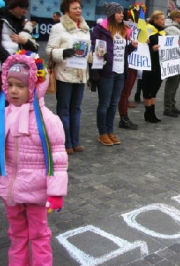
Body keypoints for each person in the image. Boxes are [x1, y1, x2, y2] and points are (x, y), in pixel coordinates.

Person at [0, 51, 68, 266]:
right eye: (10, 84)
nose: (13, 90)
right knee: (17, 234)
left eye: (20, 85)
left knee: (39, 235)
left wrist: (56, 192)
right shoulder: (4, 115)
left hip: (36, 191)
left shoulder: (48, 120)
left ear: (33, 85)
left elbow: (58, 159)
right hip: (11, 190)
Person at [46, 0, 90, 155]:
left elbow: (87, 52)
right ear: (66, 11)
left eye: (79, 8)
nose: (78, 10)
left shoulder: (85, 29)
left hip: (80, 74)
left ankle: (75, 140)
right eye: (75, 8)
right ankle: (66, 142)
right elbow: (49, 50)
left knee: (76, 108)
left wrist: (96, 57)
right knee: (64, 109)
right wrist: (64, 53)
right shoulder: (58, 28)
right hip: (64, 73)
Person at [90, 2, 137, 144]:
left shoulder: (124, 30)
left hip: (120, 72)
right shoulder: (100, 30)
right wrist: (101, 55)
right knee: (104, 103)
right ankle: (102, 132)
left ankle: (110, 131)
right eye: (119, 12)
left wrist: (131, 47)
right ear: (111, 14)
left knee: (113, 103)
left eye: (122, 12)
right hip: (106, 72)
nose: (122, 15)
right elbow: (95, 49)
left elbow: (123, 53)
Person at [117, 3, 145, 130]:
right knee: (124, 93)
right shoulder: (124, 27)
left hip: (134, 63)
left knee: (127, 92)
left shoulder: (139, 28)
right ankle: (123, 117)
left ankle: (125, 116)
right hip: (126, 63)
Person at [142, 10, 165, 123]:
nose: (163, 21)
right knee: (148, 90)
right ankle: (148, 113)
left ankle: (152, 113)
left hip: (159, 64)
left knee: (155, 89)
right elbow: (142, 48)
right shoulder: (148, 31)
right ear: (155, 20)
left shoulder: (163, 32)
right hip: (150, 64)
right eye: (161, 19)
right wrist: (152, 49)